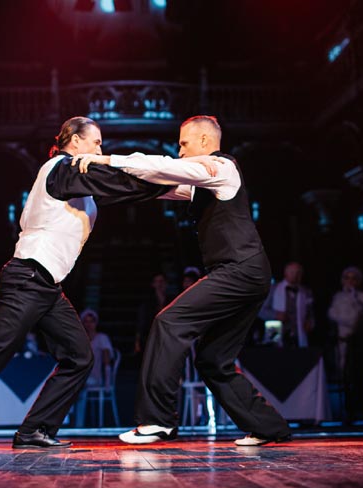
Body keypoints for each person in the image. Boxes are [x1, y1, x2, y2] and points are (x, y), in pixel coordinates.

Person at [0, 116, 214, 451]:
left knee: (79, 357)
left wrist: (186, 190)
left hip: (46, 285)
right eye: (96, 142)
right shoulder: (62, 168)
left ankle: (35, 429)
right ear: (75, 142)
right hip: (28, 278)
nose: (100, 150)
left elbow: (125, 189)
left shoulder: (77, 179)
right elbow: (118, 181)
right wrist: (179, 177)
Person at [73, 115, 291, 446]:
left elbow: (163, 166)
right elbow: (152, 183)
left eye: (184, 144)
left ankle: (157, 421)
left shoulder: (222, 168)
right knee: (213, 359)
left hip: (240, 270)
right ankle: (269, 427)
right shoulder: (200, 182)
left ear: (204, 141)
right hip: (246, 274)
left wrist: (106, 159)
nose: (180, 151)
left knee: (169, 322)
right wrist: (94, 178)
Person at [327, 265, 363, 420]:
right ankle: (349, 412)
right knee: (346, 378)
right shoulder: (338, 297)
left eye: (354, 278)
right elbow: (332, 314)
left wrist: (353, 299)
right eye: (347, 278)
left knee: (361, 377)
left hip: (361, 345)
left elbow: (357, 319)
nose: (350, 281)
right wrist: (347, 319)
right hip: (344, 343)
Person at [258, 261, 315, 348]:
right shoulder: (273, 289)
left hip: (298, 338)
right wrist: (275, 315)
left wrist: (310, 322)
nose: (295, 275)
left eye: (298, 273)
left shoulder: (306, 291)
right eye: (292, 272)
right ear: (285, 273)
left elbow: (310, 313)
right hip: (278, 336)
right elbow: (260, 311)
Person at [73, 308, 115, 427]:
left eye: (91, 321)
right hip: (81, 376)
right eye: (86, 321)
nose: (89, 324)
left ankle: (78, 425)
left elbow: (107, 360)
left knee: (78, 385)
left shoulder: (102, 338)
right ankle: (72, 423)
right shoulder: (79, 339)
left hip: (95, 378)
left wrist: (107, 382)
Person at [134, 272, 174, 354]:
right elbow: (141, 324)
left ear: (166, 283)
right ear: (153, 284)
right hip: (151, 339)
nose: (160, 284)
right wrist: (137, 341)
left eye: (162, 281)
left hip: (168, 339)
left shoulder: (172, 302)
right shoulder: (147, 304)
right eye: (157, 281)